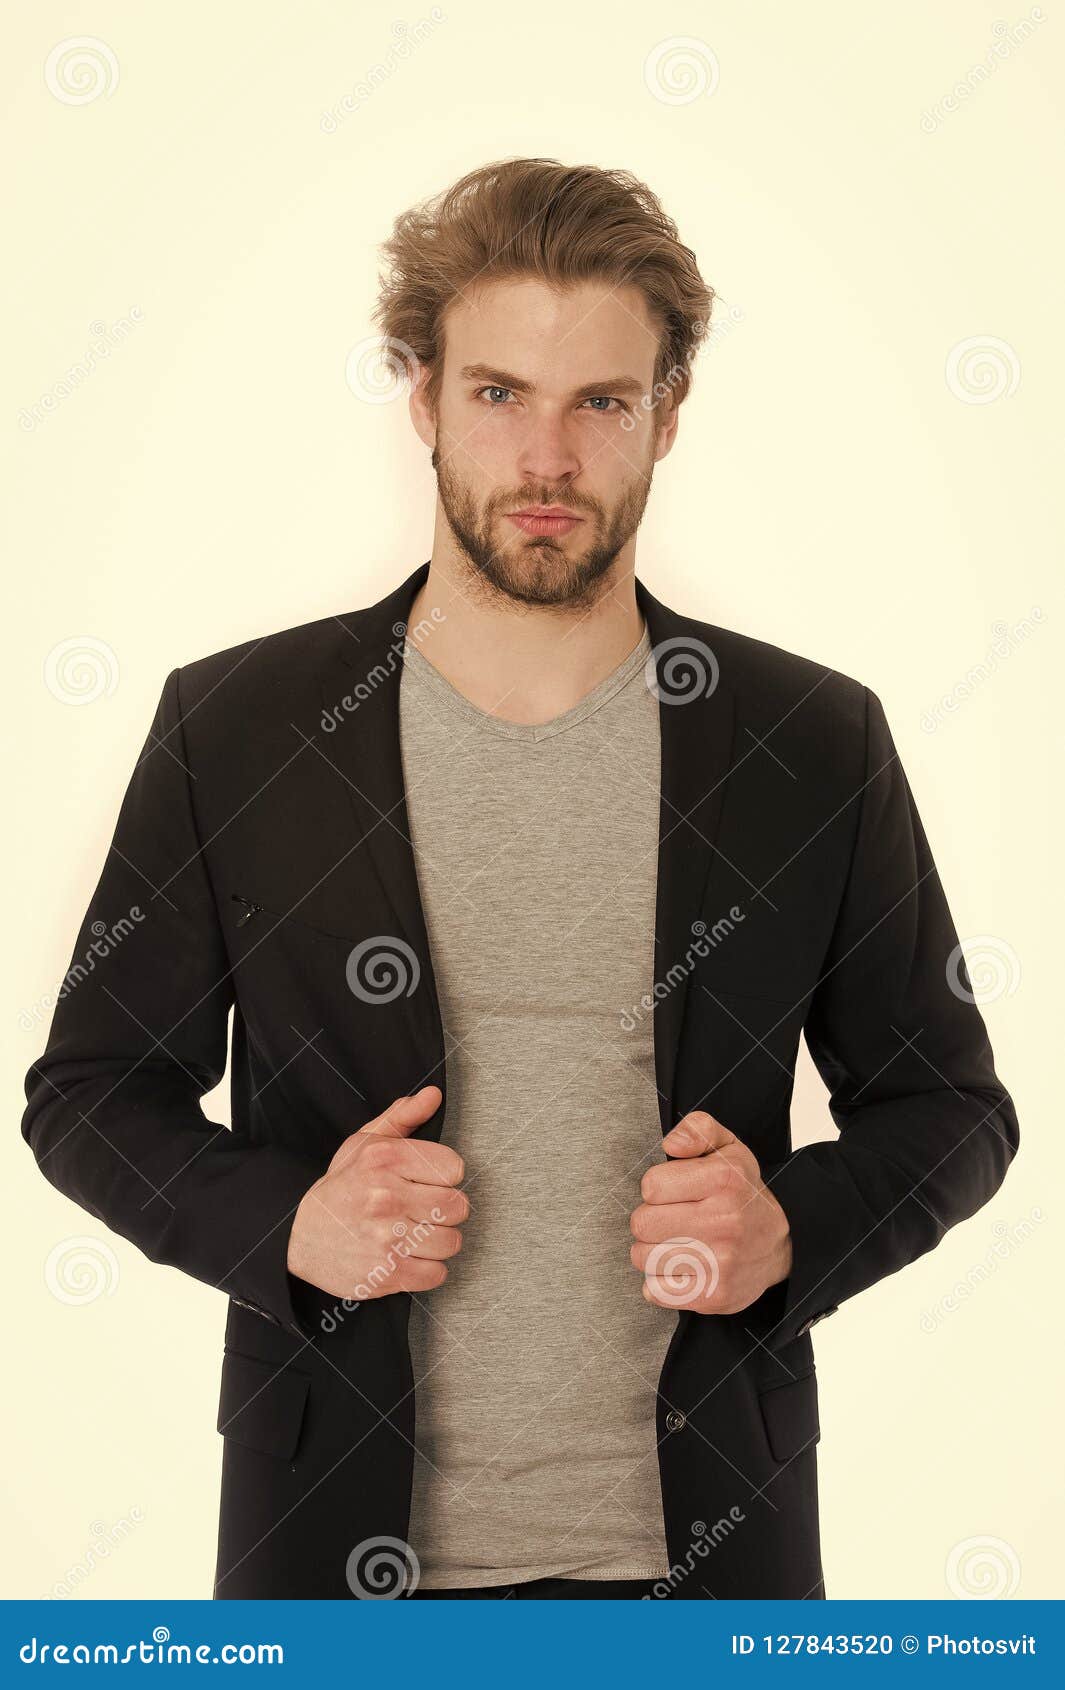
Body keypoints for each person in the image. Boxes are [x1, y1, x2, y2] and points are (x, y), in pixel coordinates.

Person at [22, 158, 1019, 1601]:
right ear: (422, 397)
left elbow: (949, 1109)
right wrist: (289, 1223)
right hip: (334, 1567)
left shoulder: (813, 742)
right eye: (498, 394)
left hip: (704, 1568)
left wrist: (789, 1227)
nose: (545, 458)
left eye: (598, 403)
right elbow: (89, 1093)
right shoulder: (235, 728)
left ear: (665, 417)